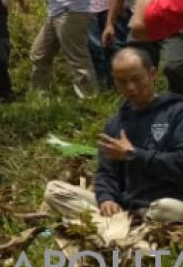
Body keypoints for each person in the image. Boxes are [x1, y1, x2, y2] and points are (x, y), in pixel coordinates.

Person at [44, 47, 183, 220]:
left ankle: (110, 229)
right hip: (126, 208)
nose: (131, 87)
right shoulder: (115, 124)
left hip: (163, 205)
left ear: (152, 74)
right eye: (122, 81)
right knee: (54, 191)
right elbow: (105, 172)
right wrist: (106, 198)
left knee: (168, 208)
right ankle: (119, 227)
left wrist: (133, 154)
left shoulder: (176, 112)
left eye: (136, 79)